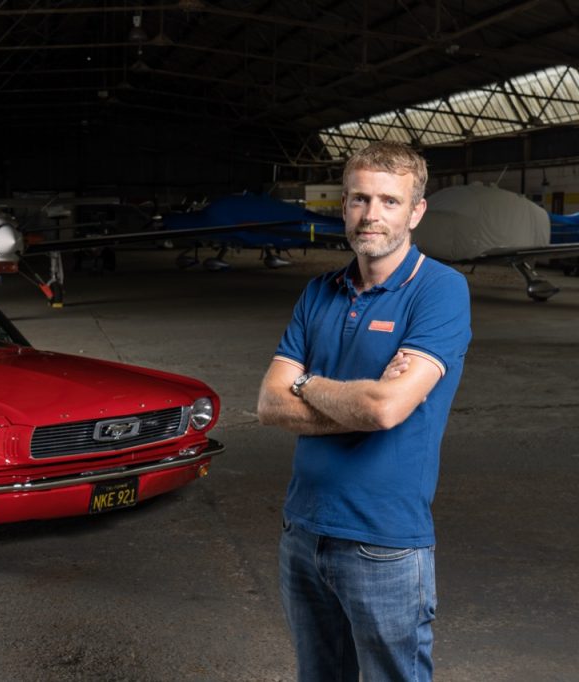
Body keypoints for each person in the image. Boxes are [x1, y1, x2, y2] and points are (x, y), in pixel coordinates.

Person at [257, 141, 471, 682]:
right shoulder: (319, 291)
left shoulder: (440, 291)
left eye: (389, 201)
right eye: (358, 199)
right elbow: (268, 404)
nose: (371, 215)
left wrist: (304, 382)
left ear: (416, 211)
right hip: (302, 532)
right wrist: (354, 399)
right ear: (344, 206)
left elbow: (384, 410)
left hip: (384, 544)